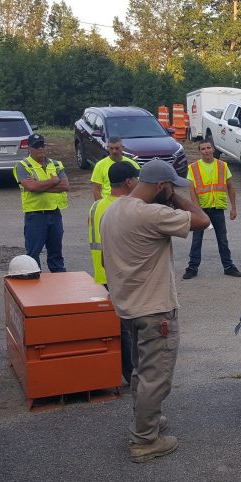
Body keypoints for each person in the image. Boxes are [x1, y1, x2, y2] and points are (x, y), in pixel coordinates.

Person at [100, 160, 210, 463]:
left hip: (128, 307)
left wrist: (166, 191)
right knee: (155, 376)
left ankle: (146, 420)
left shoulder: (113, 209)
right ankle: (145, 440)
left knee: (140, 371)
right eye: (170, 186)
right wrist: (173, 196)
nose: (173, 191)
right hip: (155, 310)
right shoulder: (152, 214)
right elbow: (201, 220)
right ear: (162, 186)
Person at [87, 162, 139, 385]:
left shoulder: (96, 206)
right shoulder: (125, 208)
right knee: (128, 330)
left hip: (102, 275)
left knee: (117, 328)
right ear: (129, 182)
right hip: (121, 275)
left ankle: (124, 370)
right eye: (136, 179)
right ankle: (132, 374)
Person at [183, 138, 241, 279]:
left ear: (213, 149)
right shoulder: (193, 167)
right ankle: (192, 268)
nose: (206, 151)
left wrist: (233, 208)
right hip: (201, 209)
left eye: (208, 148)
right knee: (197, 241)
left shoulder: (222, 166)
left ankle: (228, 267)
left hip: (217, 208)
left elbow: (230, 187)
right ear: (199, 152)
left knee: (222, 239)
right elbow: (192, 191)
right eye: (203, 149)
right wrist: (196, 209)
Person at [14, 134, 69, 273]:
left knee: (56, 253)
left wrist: (40, 185)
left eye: (42, 145)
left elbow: (65, 186)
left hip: (55, 214)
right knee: (33, 253)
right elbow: (31, 188)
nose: (40, 149)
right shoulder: (23, 166)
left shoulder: (56, 164)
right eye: (36, 146)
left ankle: (60, 282)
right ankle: (34, 282)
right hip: (36, 215)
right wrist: (53, 181)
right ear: (29, 148)